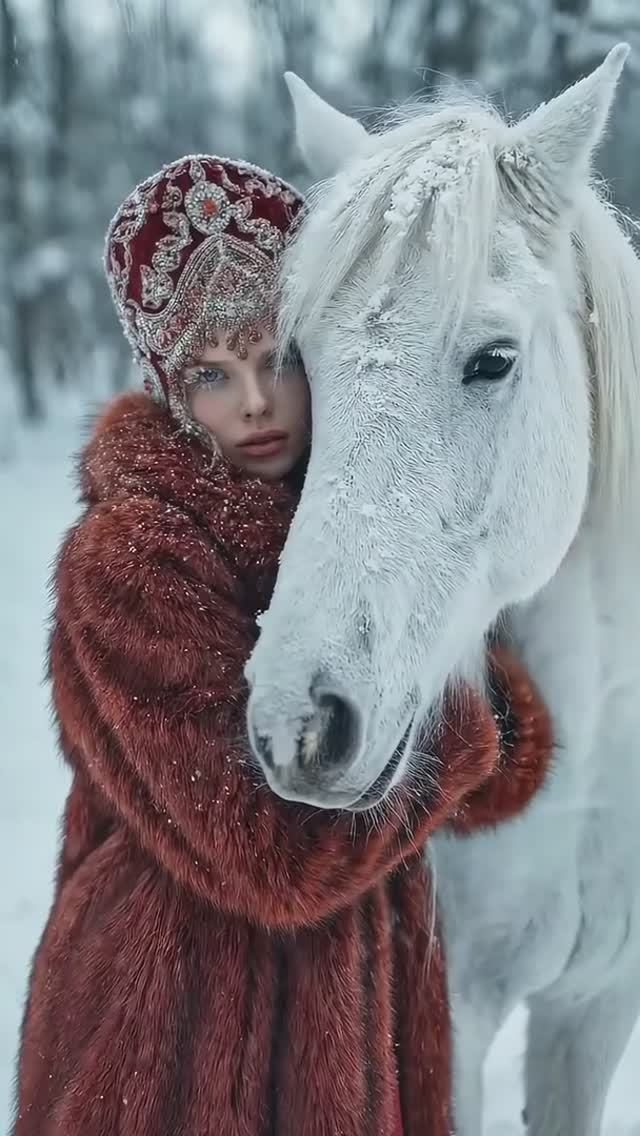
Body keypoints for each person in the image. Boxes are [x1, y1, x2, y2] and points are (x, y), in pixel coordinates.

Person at [11, 154, 553, 1136]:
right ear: (169, 390)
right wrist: (467, 719)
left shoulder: (362, 540)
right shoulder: (130, 556)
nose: (255, 401)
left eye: (279, 358)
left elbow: (506, 778)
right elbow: (275, 854)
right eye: (212, 375)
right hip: (167, 1030)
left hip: (356, 1015)